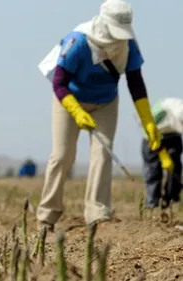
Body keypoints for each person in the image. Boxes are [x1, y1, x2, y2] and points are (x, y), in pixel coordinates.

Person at [36, 0, 174, 231]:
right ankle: (47, 216)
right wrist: (76, 111)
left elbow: (136, 82)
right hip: (70, 101)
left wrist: (148, 121)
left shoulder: (128, 45)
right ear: (104, 24)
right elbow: (59, 83)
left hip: (105, 103)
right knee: (62, 156)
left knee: (103, 152)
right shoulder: (78, 42)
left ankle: (97, 213)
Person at [141, 98, 183, 210]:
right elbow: (147, 131)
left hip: (173, 136)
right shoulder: (162, 112)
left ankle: (171, 201)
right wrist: (162, 154)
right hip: (152, 136)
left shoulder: (179, 113)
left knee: (174, 169)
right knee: (153, 171)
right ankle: (152, 204)